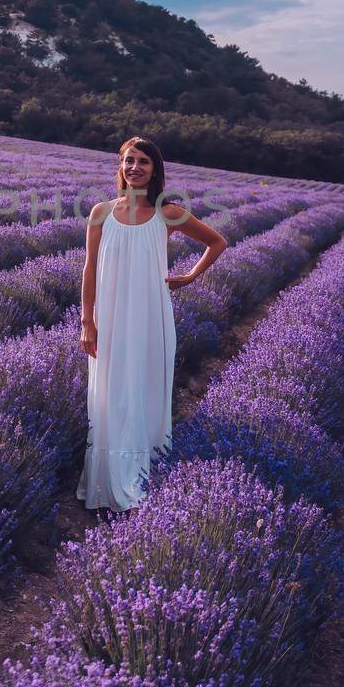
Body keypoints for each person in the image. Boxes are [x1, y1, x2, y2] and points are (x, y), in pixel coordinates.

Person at [76, 136, 228, 512]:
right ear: (120, 166)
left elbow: (217, 242)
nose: (135, 167)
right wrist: (86, 322)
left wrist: (190, 276)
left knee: (143, 388)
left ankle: (141, 476)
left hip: (150, 316)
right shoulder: (100, 212)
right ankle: (108, 477)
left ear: (155, 170)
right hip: (109, 316)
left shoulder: (167, 212)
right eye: (129, 160)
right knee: (110, 392)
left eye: (144, 161)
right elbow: (90, 269)